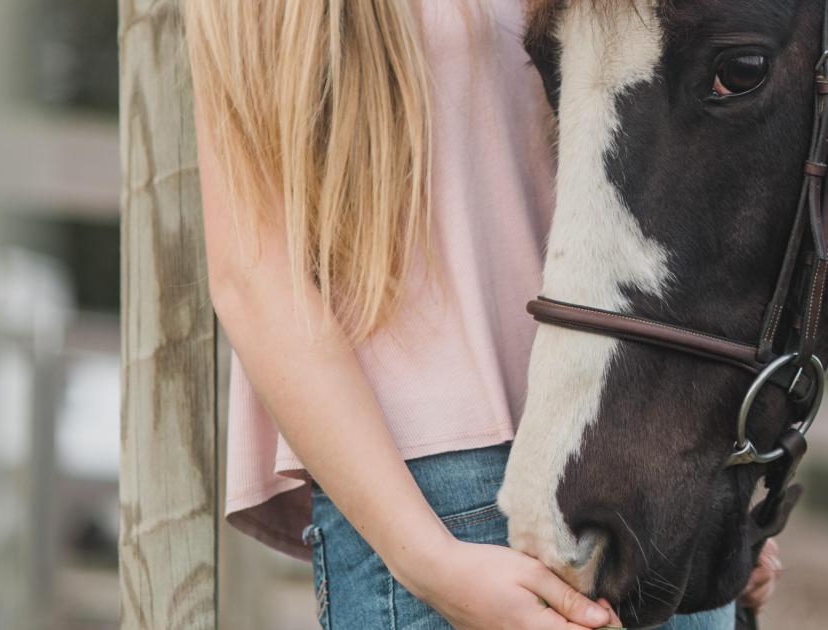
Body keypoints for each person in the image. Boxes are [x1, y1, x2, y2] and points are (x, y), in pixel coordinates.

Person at [184, 1, 780, 628]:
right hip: (441, 502)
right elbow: (255, 277)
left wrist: (725, 473)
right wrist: (433, 564)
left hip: (655, 467)